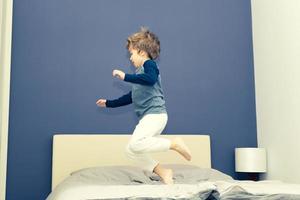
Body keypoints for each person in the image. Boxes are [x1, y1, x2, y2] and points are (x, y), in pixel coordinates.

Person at [96, 27, 191, 184]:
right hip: (149, 117)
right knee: (130, 151)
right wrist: (109, 103)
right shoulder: (140, 75)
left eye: (131, 53)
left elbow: (150, 79)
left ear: (141, 52)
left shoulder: (149, 65)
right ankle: (163, 172)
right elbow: (131, 97)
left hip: (155, 115)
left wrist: (125, 76)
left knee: (136, 144)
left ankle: (174, 144)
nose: (130, 58)